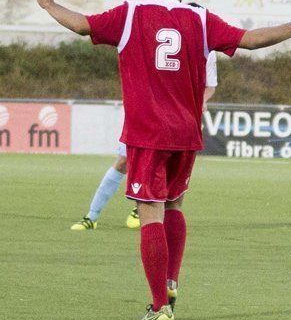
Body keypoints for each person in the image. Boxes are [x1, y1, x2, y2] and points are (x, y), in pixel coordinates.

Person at [29, 0, 291, 320]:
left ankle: (159, 305)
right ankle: (171, 279)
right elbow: (250, 40)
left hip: (147, 134)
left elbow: (81, 26)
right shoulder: (201, 20)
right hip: (186, 134)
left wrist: (48, 4)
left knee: (150, 212)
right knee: (174, 205)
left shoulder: (130, 14)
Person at [70, 53, 219, 231]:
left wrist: (199, 101)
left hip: (179, 120)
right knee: (122, 162)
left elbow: (210, 85)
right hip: (147, 115)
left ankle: (141, 206)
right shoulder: (151, 35)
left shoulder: (207, 47)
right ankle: (92, 216)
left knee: (165, 167)